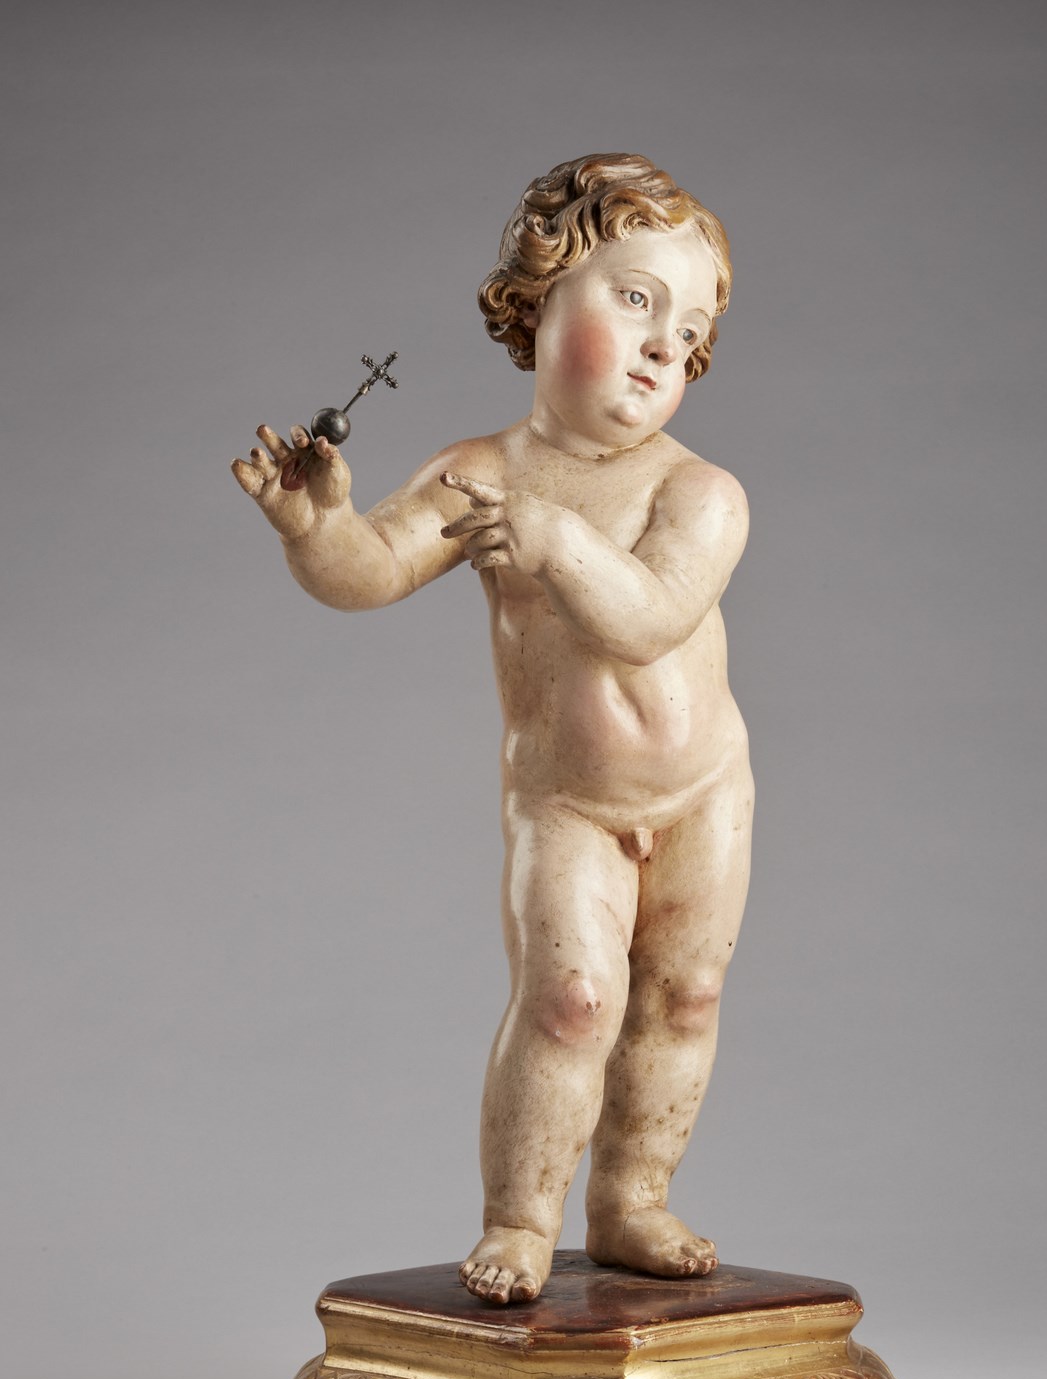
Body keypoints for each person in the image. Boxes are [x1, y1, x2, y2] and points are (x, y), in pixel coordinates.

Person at [231, 154, 753, 1305]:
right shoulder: (478, 475)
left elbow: (647, 619)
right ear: (537, 297)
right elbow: (373, 570)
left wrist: (555, 540)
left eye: (689, 332)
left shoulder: (700, 494)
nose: (662, 346)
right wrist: (315, 530)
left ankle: (630, 1201)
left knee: (683, 996)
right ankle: (520, 1217)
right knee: (569, 1002)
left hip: (702, 792)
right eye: (635, 300)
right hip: (565, 799)